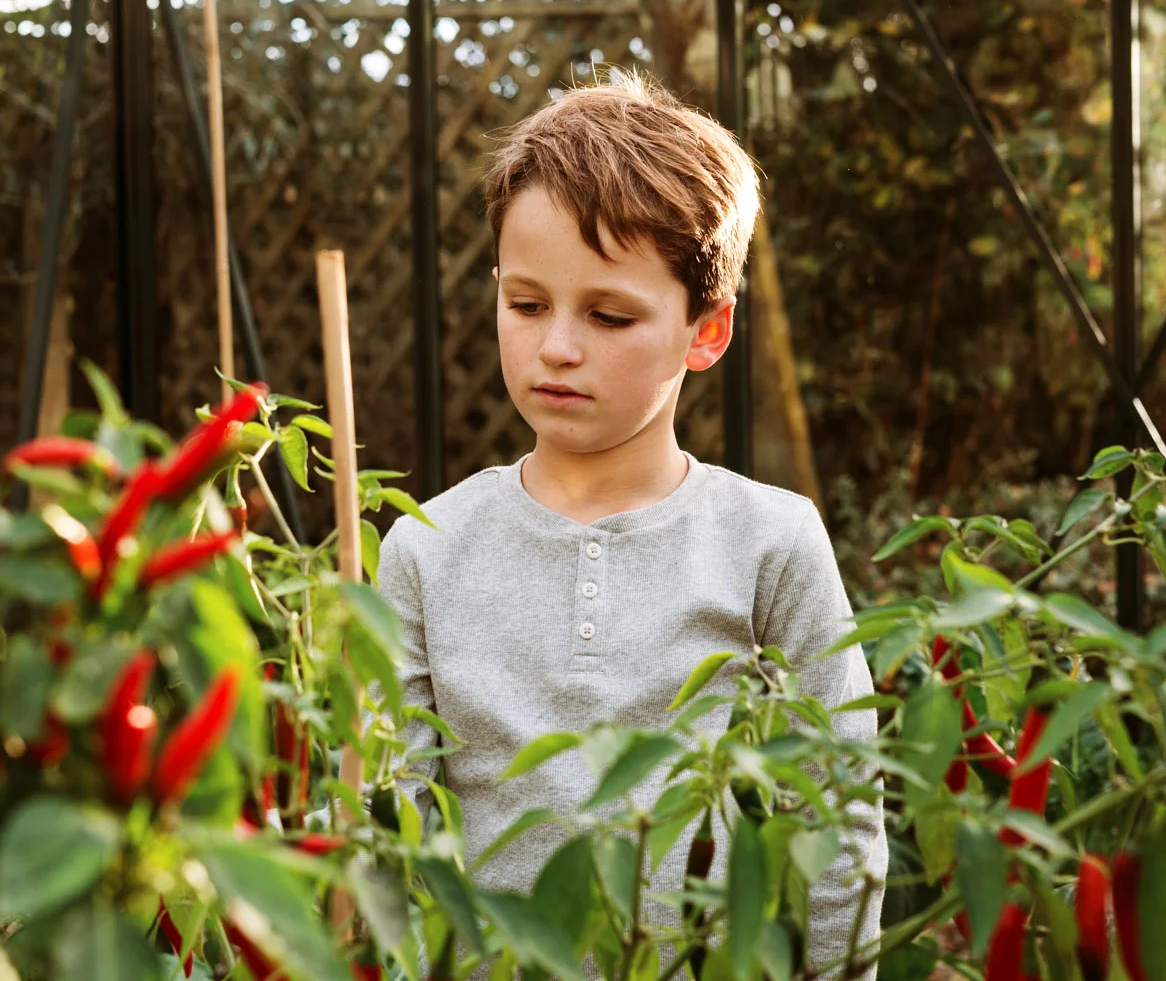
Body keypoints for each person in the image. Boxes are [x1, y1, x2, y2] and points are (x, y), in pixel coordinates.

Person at [375, 69, 886, 979]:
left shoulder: (771, 539)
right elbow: (391, 829)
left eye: (610, 314)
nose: (558, 346)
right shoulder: (425, 547)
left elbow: (842, 814)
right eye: (526, 304)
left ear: (708, 331)